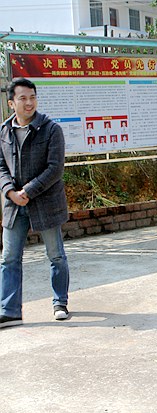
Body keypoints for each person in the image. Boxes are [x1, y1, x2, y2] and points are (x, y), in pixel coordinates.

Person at [0, 77, 70, 328]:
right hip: (13, 205)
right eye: (23, 98)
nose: (29, 103)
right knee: (9, 258)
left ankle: (60, 302)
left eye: (32, 97)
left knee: (56, 255)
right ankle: (9, 310)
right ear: (11, 103)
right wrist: (10, 192)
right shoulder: (3, 131)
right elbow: (0, 167)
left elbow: (55, 168)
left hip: (45, 202)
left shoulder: (51, 129)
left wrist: (27, 191)